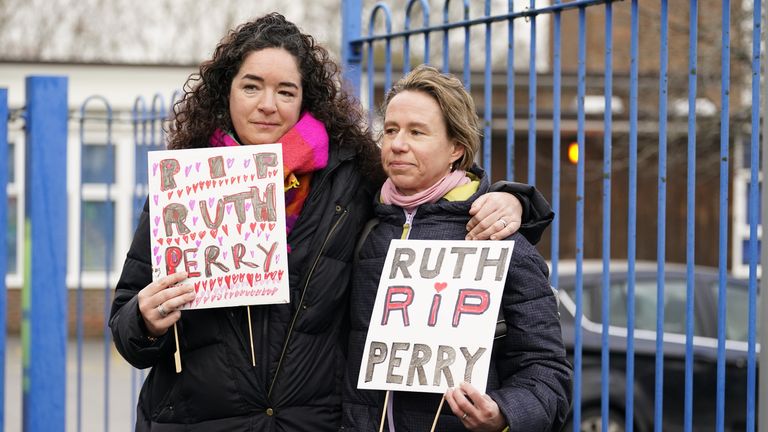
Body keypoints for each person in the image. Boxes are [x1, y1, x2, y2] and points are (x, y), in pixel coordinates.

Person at [110, 14, 552, 432]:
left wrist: (514, 201)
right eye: (251, 87)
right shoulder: (182, 189)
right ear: (226, 91)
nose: (268, 105)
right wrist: (144, 321)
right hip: (194, 419)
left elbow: (429, 194)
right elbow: (127, 326)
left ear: (305, 99)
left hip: (308, 421)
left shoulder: (348, 176)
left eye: (285, 91)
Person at [342, 65, 572, 432]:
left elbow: (547, 373)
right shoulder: (361, 227)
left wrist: (503, 414)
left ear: (456, 149)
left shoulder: (496, 236)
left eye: (417, 132)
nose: (398, 143)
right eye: (390, 130)